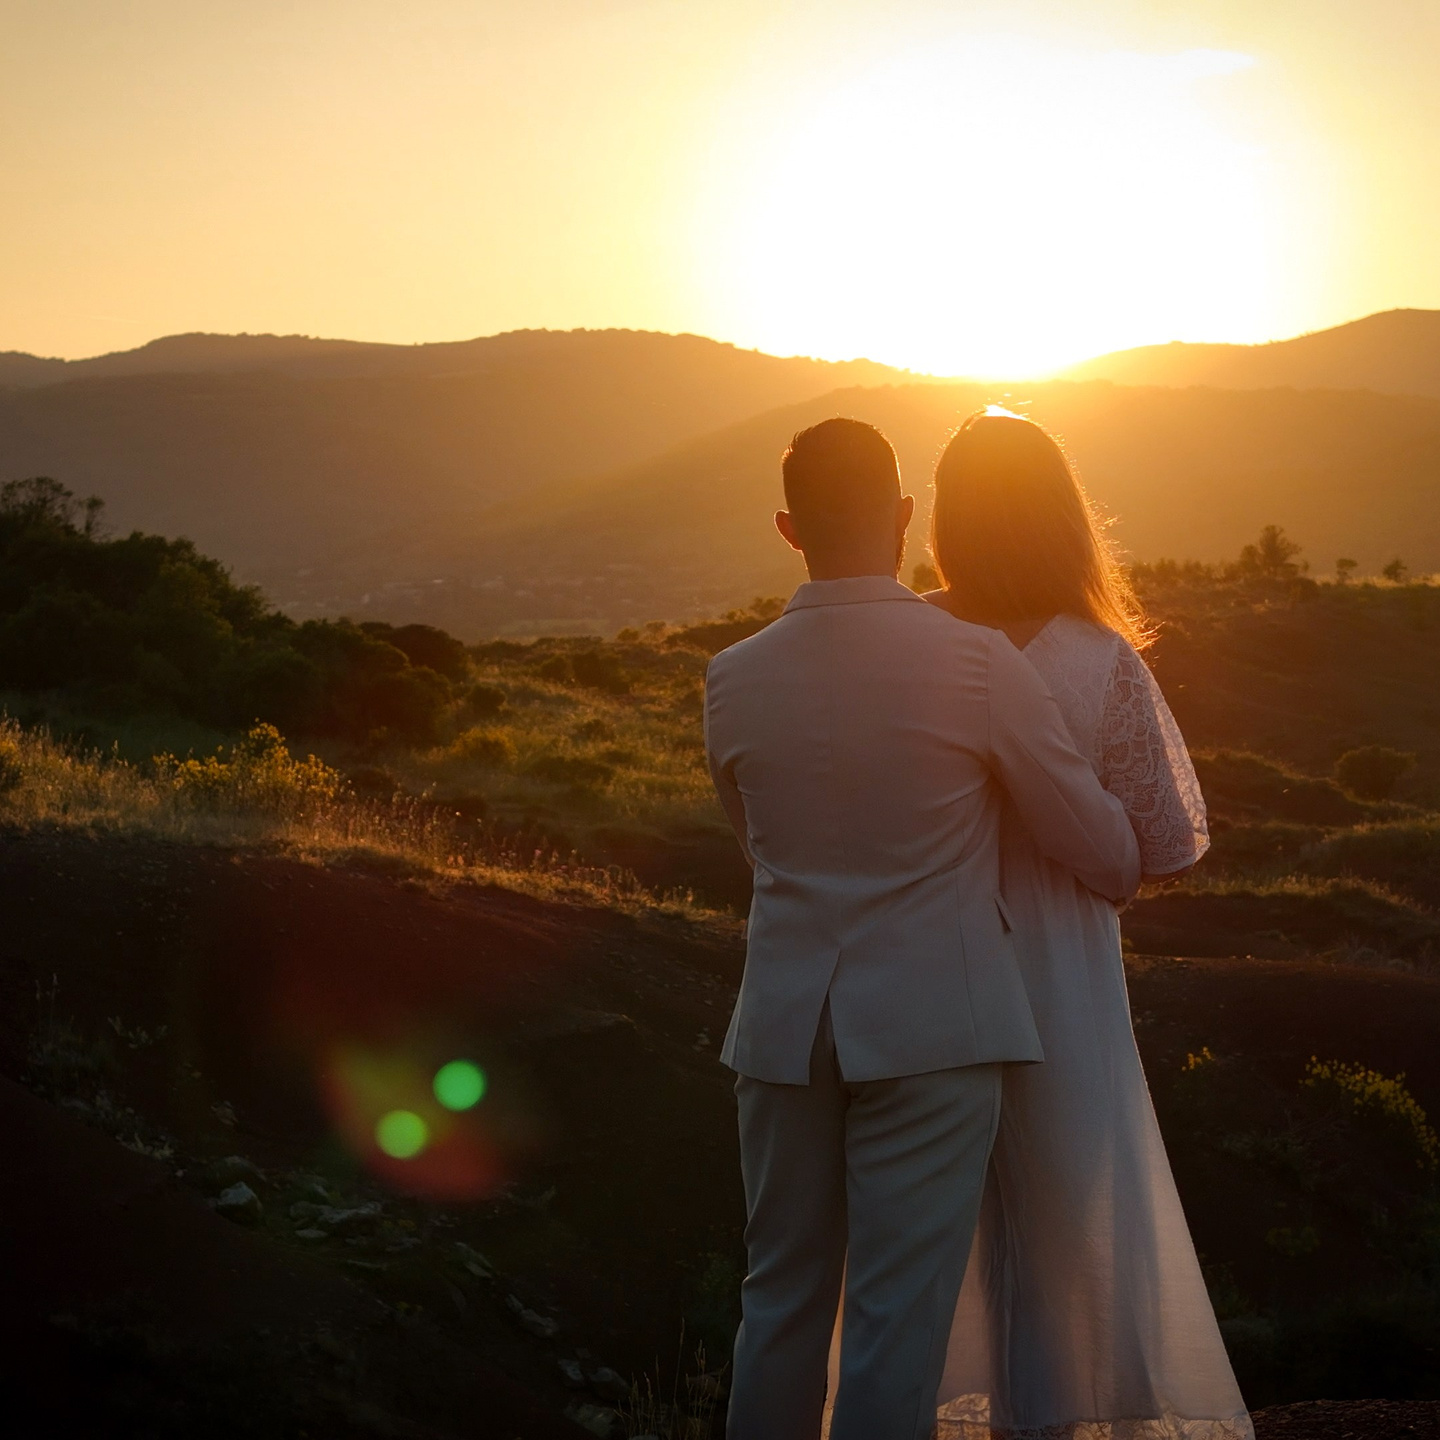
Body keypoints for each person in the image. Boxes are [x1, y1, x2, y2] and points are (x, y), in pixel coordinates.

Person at [704, 417, 1142, 1440]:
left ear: (787, 527)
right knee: (897, 1320)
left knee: (778, 1299)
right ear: (904, 517)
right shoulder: (977, 664)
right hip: (938, 1030)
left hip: (781, 1030)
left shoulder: (732, 677)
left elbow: (758, 851)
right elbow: (1105, 851)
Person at [917, 408, 1252, 1440]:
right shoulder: (1099, 660)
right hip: (1059, 966)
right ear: (1065, 520)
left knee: (939, 1226)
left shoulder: (913, 641)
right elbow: (1168, 843)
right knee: (1066, 1225)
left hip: (930, 962)